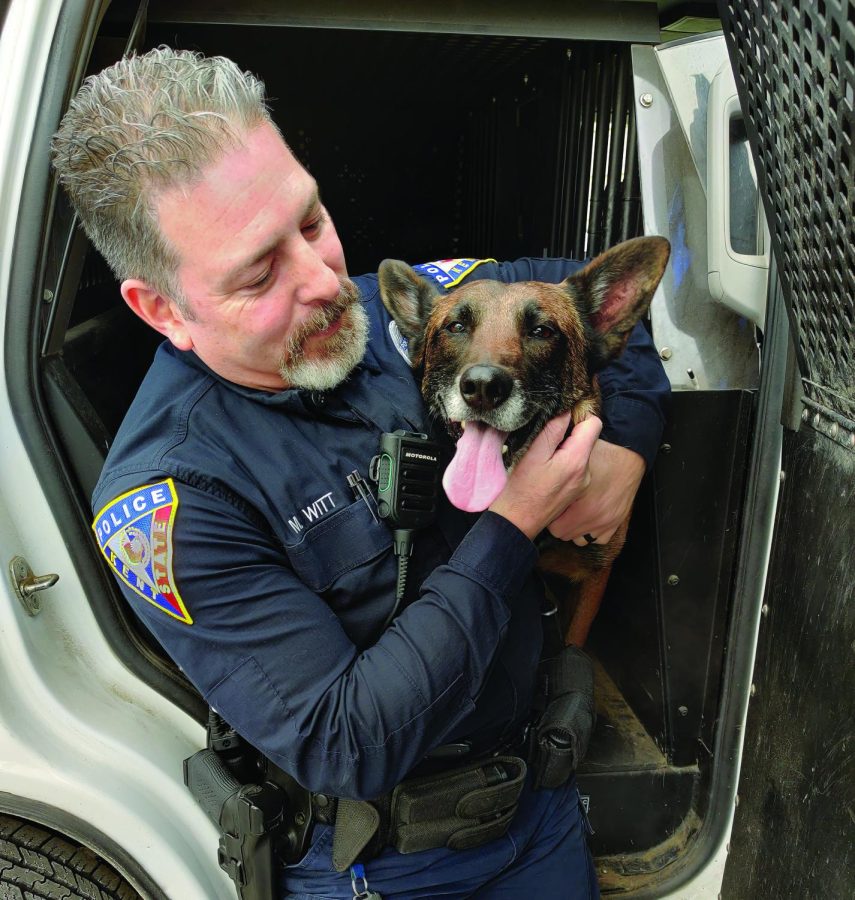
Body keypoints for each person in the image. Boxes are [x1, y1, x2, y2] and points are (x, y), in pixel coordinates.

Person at [51, 47, 669, 899]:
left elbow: (586, 309)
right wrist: (513, 524)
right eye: (258, 273)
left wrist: (621, 454)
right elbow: (347, 743)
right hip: (388, 870)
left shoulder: (408, 316)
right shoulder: (170, 501)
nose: (325, 282)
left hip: (541, 810)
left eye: (309, 221)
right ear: (163, 310)